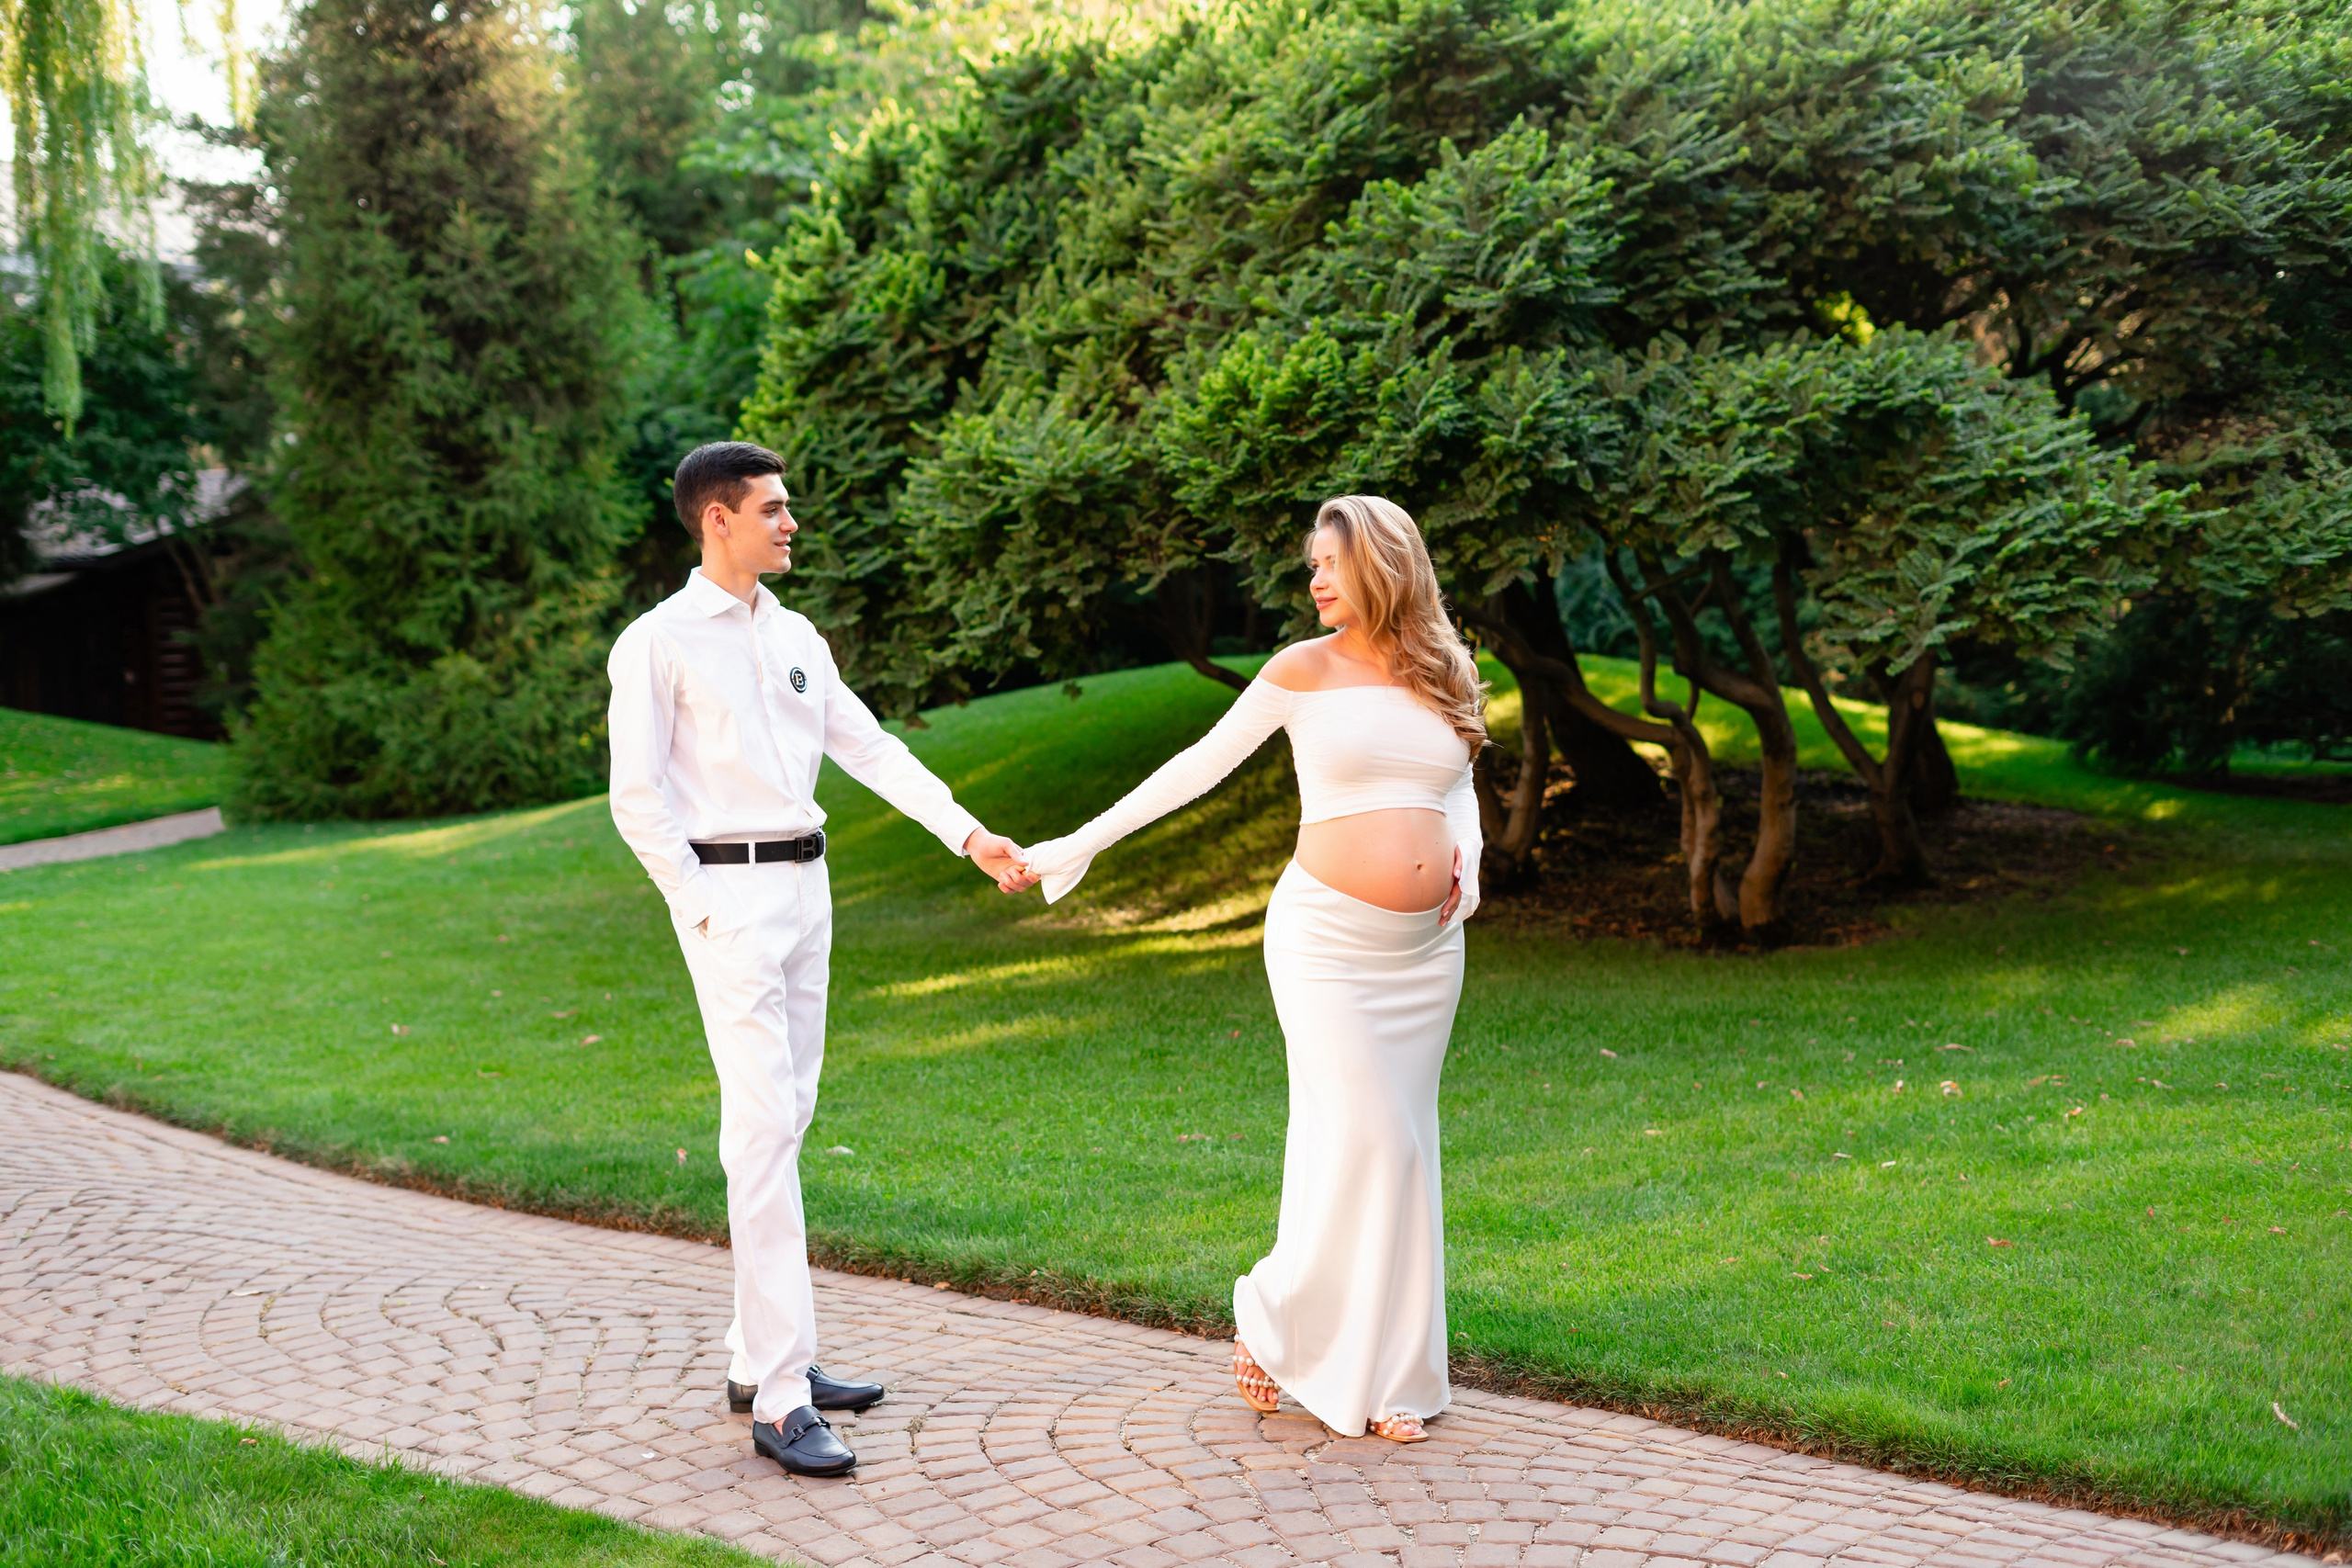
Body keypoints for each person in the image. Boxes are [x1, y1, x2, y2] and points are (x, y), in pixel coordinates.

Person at [606, 441, 1035, 1477]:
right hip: (730, 900)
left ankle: (760, 1358)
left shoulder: (796, 633)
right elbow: (636, 797)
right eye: (773, 508)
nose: (791, 523)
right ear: (718, 519)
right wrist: (703, 910)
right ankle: (782, 1399)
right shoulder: (657, 642)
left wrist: (968, 834)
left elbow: (871, 748)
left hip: (809, 892)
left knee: (787, 1117)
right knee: (760, 1131)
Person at [1020, 495, 1483, 1442]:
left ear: (1383, 565)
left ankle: (1392, 1377)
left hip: (1426, 953)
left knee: (1401, 1150)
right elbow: (1195, 767)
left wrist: (1470, 857)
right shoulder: (1298, 670)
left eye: (1328, 563)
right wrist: (1078, 842)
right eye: (1310, 563)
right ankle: (1274, 1314)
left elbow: (1460, 779)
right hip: (1325, 943)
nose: (1313, 579)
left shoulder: (1444, 667)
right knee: (1373, 1139)